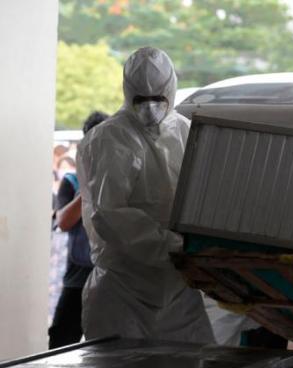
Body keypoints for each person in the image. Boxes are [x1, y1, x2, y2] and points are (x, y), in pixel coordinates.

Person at [76, 47, 214, 343]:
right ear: (128, 92)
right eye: (141, 99)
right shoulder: (109, 138)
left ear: (171, 90)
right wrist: (171, 244)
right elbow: (110, 214)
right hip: (124, 294)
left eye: (158, 99)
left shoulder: (188, 132)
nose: (150, 107)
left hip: (180, 293)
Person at [48, 111, 107, 349]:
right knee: (61, 341)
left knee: (103, 346)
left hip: (108, 277)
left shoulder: (121, 176)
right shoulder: (72, 182)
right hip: (77, 277)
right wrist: (89, 183)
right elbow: (63, 222)